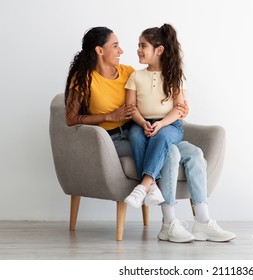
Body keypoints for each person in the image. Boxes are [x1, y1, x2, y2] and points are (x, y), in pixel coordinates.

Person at [64, 26, 236, 243]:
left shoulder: (128, 72)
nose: (122, 51)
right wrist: (109, 116)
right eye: (115, 46)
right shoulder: (84, 79)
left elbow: (154, 91)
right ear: (99, 50)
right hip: (112, 141)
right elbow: (71, 119)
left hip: (143, 132)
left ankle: (202, 220)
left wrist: (181, 106)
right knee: (171, 153)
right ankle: (169, 223)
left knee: (195, 154)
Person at [123, 24, 185, 209]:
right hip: (140, 123)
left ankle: (143, 186)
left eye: (143, 46)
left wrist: (161, 124)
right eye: (139, 45)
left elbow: (179, 109)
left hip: (170, 125)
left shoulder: (174, 76)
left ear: (159, 50)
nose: (138, 50)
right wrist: (143, 123)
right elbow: (131, 107)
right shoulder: (136, 76)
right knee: (134, 136)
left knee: (163, 136)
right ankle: (154, 186)